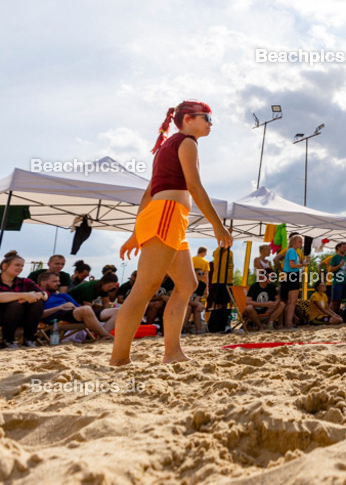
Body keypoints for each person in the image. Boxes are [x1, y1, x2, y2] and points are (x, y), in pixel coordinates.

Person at [110, 101, 233, 366]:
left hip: (167, 217)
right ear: (188, 118)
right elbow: (194, 186)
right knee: (144, 289)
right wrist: (217, 224)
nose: (211, 122)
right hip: (167, 215)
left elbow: (147, 192)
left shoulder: (168, 145)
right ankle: (119, 359)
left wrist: (136, 232)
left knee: (188, 283)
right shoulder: (186, 142)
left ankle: (173, 352)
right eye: (207, 117)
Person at [39, 271, 115, 341]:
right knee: (86, 309)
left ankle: (101, 337)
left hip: (75, 314)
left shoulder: (63, 295)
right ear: (43, 283)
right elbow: (39, 315)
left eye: (58, 281)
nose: (58, 283)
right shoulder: (38, 296)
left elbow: (78, 308)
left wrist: (74, 307)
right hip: (57, 317)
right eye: (55, 281)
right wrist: (59, 307)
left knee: (116, 311)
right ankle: (106, 336)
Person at [0, 251, 48, 348]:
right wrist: (24, 295)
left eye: (22, 266)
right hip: (2, 316)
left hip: (21, 318)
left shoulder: (25, 281)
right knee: (15, 304)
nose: (20, 268)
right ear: (4, 266)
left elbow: (45, 295)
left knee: (37, 302)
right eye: (17, 265)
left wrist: (35, 296)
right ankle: (8, 340)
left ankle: (29, 339)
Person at [281, 234, 309, 330]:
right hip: (292, 276)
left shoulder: (293, 251)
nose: (301, 243)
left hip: (288, 275)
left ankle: (288, 323)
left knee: (289, 302)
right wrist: (303, 264)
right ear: (294, 242)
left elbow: (294, 265)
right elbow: (292, 265)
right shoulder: (292, 250)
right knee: (292, 302)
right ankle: (289, 324)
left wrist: (303, 263)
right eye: (300, 241)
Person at [326, 242, 346, 313]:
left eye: (345, 248)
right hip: (337, 282)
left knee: (340, 301)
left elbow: (344, 269)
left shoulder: (344, 258)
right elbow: (330, 270)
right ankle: (330, 316)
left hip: (344, 282)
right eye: (343, 248)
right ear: (338, 248)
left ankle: (335, 315)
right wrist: (339, 265)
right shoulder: (335, 257)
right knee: (334, 301)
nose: (345, 249)